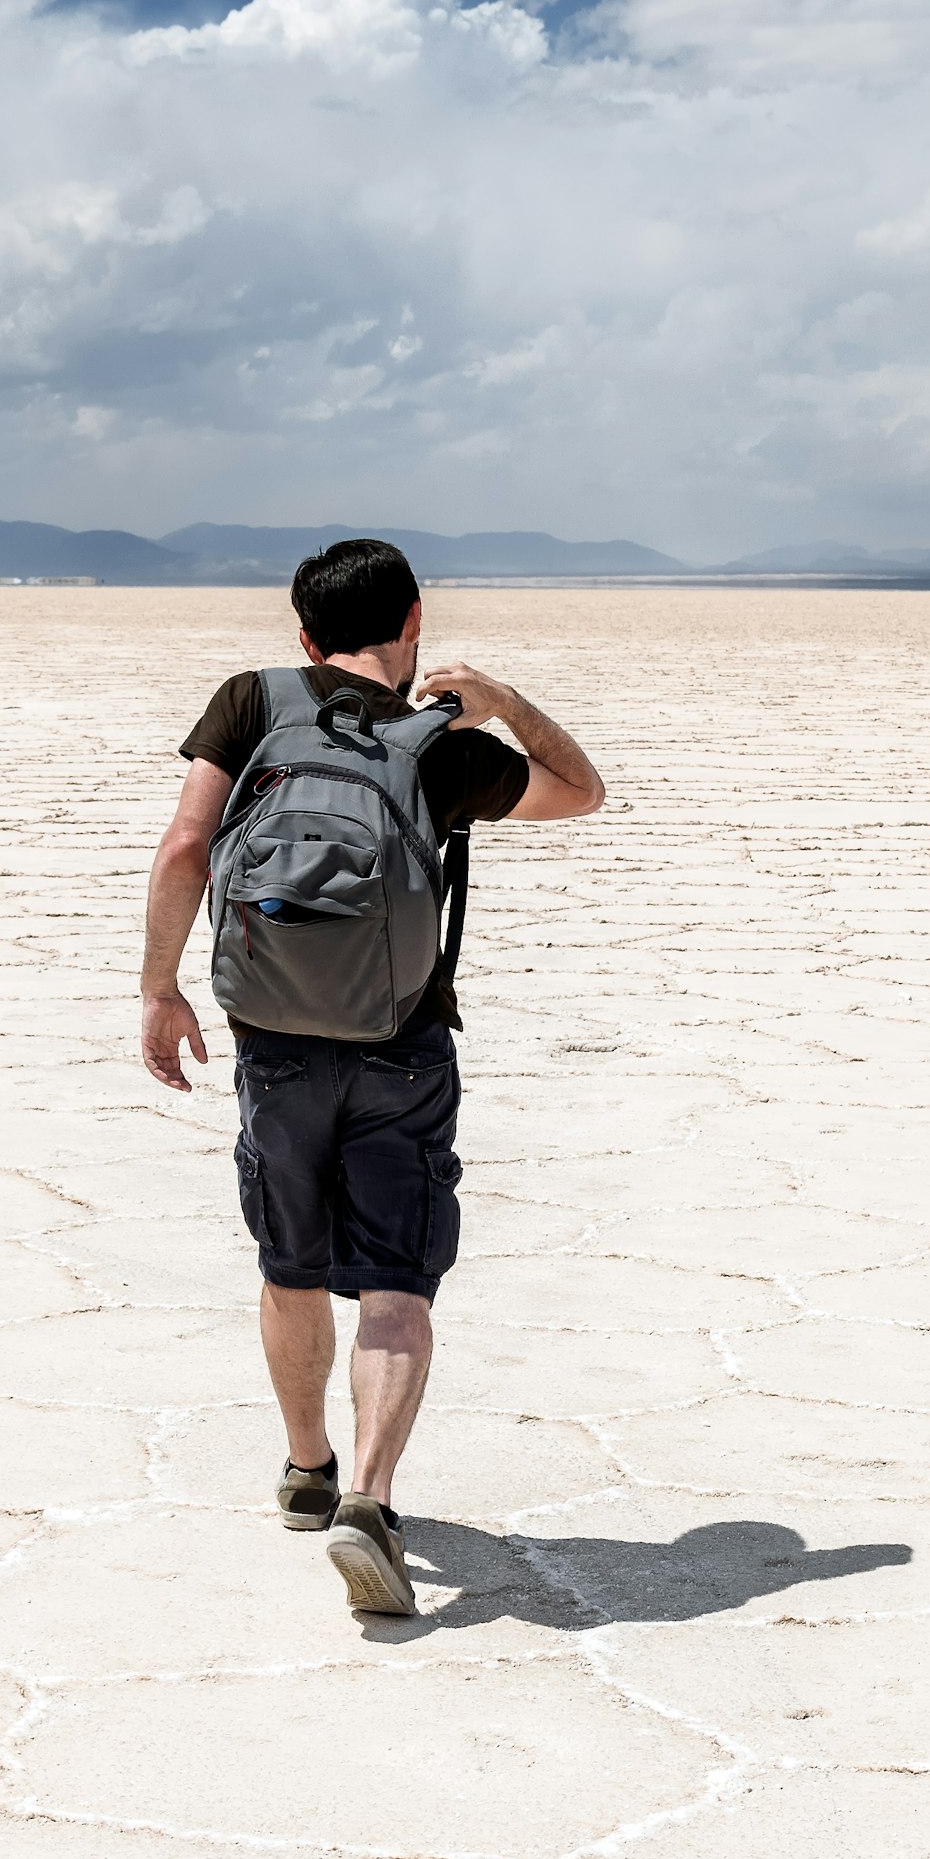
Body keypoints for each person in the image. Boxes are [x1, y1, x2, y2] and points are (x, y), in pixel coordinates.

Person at [138, 539, 606, 1615]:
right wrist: (503, 701)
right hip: (402, 1043)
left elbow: (183, 850)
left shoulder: (251, 701)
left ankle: (310, 1471)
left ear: (304, 636)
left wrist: (162, 988)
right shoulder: (443, 746)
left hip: (273, 1040)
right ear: (415, 621)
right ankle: (374, 1500)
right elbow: (581, 792)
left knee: (290, 1261)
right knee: (396, 1280)